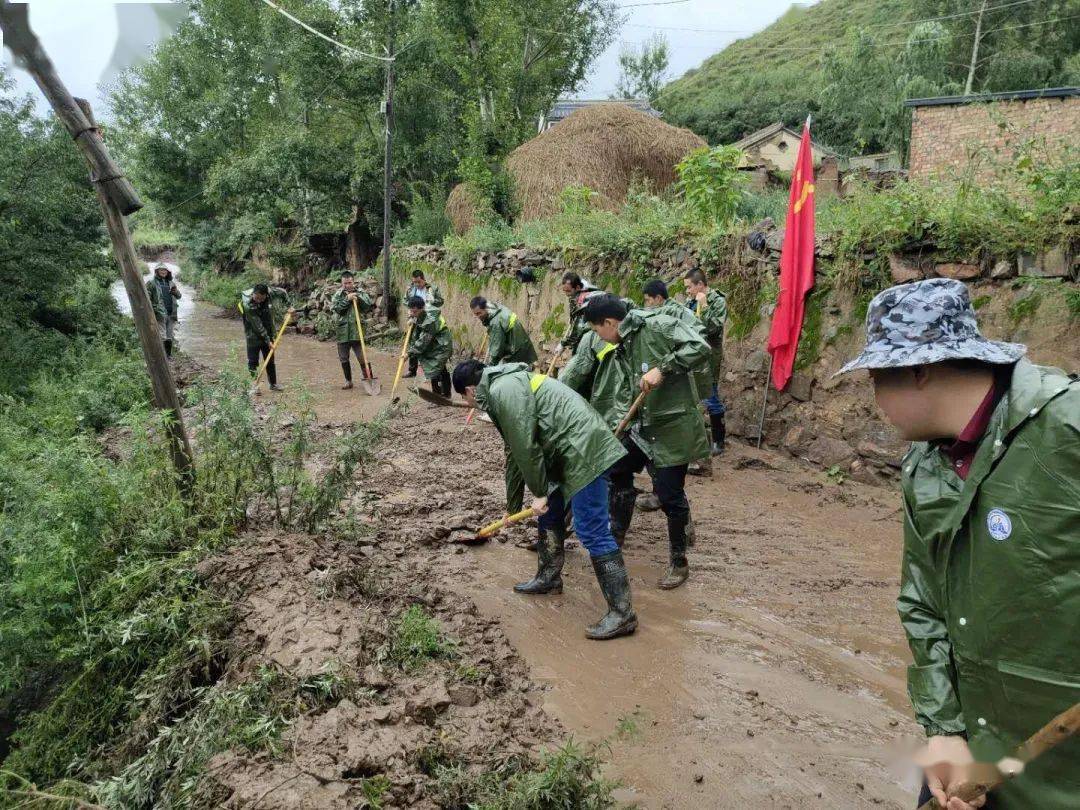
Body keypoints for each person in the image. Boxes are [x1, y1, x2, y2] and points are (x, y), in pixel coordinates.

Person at [836, 278, 1079, 810]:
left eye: (878, 379)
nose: (876, 400)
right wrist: (945, 731)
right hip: (972, 751)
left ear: (919, 371)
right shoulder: (924, 468)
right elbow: (923, 601)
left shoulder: (1067, 430)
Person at [452, 359, 636, 640]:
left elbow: (526, 446)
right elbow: (514, 453)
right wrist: (512, 509)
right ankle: (548, 578)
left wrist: (538, 492)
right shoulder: (502, 387)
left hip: (583, 450)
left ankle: (622, 614)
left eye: (466, 399)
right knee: (550, 514)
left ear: (470, 390)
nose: (470, 405)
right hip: (564, 451)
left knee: (592, 531)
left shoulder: (504, 391)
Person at [581, 294, 711, 588]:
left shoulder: (659, 325)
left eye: (596, 330)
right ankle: (617, 533)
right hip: (641, 428)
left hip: (671, 427)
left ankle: (679, 562)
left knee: (669, 496)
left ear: (610, 323)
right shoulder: (622, 344)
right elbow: (626, 389)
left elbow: (699, 347)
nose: (597, 338)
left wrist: (663, 368)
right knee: (616, 469)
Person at [683, 269, 728, 456]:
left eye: (689, 287)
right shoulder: (690, 302)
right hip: (692, 355)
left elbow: (714, 328)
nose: (687, 291)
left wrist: (705, 306)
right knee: (692, 396)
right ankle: (699, 438)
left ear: (700, 285)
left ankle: (719, 441)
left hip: (709, 356)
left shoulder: (717, 301)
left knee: (710, 395)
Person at [239, 283, 294, 391]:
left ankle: (273, 385)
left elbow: (283, 292)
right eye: (256, 298)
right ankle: (256, 385)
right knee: (253, 361)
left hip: (268, 330)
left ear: (266, 295)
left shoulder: (271, 292)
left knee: (270, 360)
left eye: (261, 298)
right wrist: (268, 341)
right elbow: (258, 325)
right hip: (252, 334)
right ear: (253, 294)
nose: (258, 300)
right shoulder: (248, 304)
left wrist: (289, 306)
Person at [330, 272, 375, 389]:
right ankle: (348, 381)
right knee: (344, 358)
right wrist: (347, 299)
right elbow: (337, 309)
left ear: (353, 282)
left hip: (357, 330)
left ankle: (369, 379)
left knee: (362, 356)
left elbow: (367, 306)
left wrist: (358, 297)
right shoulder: (338, 295)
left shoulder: (361, 292)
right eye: (345, 283)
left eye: (349, 282)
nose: (347, 285)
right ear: (342, 283)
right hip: (342, 331)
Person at [470, 296, 538, 367]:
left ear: (485, 308)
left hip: (516, 350)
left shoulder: (495, 322)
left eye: (479, 313)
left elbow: (497, 347)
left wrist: (491, 367)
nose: (477, 316)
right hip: (520, 343)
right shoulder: (495, 308)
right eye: (475, 314)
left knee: (508, 373)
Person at [406, 296, 453, 397]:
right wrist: (412, 318)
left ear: (422, 308)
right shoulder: (421, 311)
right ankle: (437, 395)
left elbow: (423, 341)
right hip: (434, 342)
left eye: (415, 312)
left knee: (437, 368)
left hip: (442, 344)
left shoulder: (430, 320)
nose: (413, 314)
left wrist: (410, 353)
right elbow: (417, 323)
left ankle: (445, 395)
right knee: (434, 368)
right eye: (411, 311)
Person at [402, 269, 444, 378]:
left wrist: (433, 300)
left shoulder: (432, 289)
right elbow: (405, 300)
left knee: (426, 342)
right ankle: (412, 370)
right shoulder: (411, 289)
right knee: (413, 342)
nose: (417, 284)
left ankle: (429, 370)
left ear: (423, 279)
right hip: (415, 319)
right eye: (414, 282)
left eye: (419, 282)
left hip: (427, 319)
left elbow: (441, 302)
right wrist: (410, 310)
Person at [557, 272, 599, 357]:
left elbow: (579, 329)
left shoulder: (585, 299)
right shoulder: (578, 293)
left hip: (595, 336)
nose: (566, 294)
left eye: (568, 291)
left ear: (577, 287)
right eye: (564, 291)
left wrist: (563, 344)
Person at [146, 263, 181, 358]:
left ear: (167, 272)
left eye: (165, 270)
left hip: (171, 312)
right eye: (161, 270)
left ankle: (168, 355)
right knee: (162, 335)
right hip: (159, 313)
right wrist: (154, 308)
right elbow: (146, 298)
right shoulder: (151, 283)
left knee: (169, 335)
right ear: (156, 271)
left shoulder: (171, 283)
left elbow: (179, 296)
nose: (163, 272)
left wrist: (175, 292)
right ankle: (161, 355)